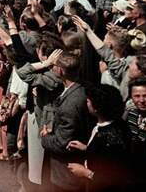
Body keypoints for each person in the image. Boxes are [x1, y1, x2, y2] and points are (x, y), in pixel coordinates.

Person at [40, 53, 90, 192]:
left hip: (66, 174)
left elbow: (62, 143)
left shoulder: (70, 104)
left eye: (54, 66)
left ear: (61, 70)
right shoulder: (80, 88)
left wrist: (45, 137)